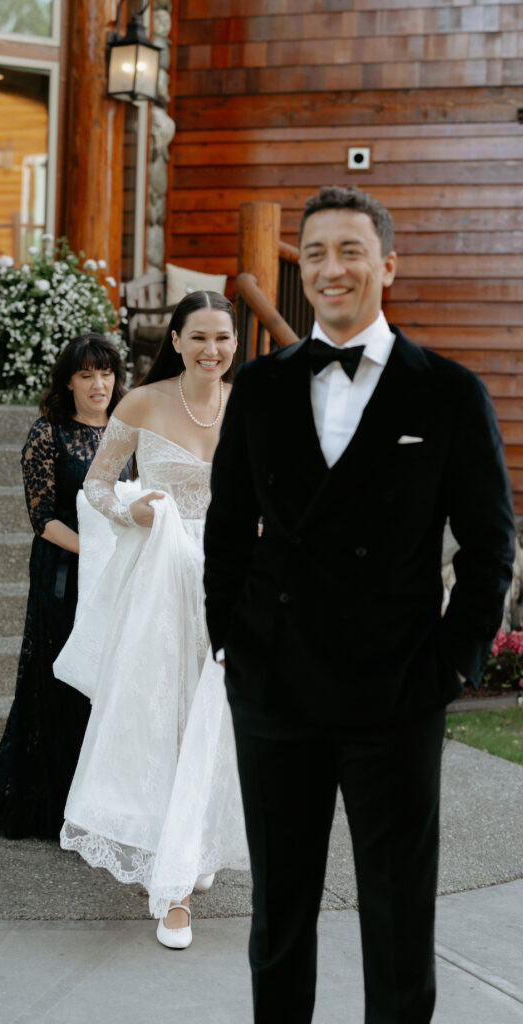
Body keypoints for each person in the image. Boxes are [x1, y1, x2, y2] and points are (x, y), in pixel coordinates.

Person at [203, 185, 516, 1022]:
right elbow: (227, 530)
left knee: (398, 916)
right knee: (278, 919)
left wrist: (449, 667)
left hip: (396, 695)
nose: (332, 270)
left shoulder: (448, 393)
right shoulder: (263, 387)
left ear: (387, 265)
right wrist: (231, 645)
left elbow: (491, 551)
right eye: (315, 255)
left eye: (349, 252)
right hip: (275, 692)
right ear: (301, 271)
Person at [54, 290, 249, 950]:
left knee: (213, 716)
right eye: (198, 337)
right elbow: (97, 484)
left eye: (222, 338)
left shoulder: (248, 406)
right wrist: (128, 513)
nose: (211, 350)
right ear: (176, 340)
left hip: (227, 579)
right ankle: (171, 890)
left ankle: (188, 847)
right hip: (162, 582)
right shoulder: (140, 403)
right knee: (161, 716)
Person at [0, 334, 127, 839]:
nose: (99, 384)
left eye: (106, 373)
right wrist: (95, 551)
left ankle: (106, 800)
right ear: (68, 382)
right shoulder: (47, 433)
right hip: (65, 571)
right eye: (86, 375)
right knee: (61, 680)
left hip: (121, 571)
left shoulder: (128, 430)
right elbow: (42, 518)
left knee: (111, 681)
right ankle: (56, 801)